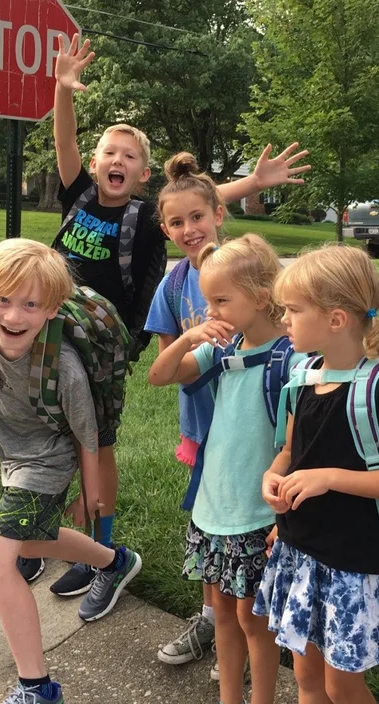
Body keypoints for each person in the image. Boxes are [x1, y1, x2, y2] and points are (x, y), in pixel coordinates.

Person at [42, 32, 310, 597]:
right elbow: (65, 140)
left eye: (129, 155)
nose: (117, 160)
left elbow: (197, 201)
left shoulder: (147, 214)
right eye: (108, 152)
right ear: (94, 165)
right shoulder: (79, 195)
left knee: (97, 445)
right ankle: (63, 541)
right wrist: (63, 90)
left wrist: (254, 183)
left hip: (104, 346)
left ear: (142, 174)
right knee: (60, 440)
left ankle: (104, 553)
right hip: (55, 335)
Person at [0, 238, 142, 704]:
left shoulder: (63, 368)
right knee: (30, 540)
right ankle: (115, 562)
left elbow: (88, 439)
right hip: (13, 457)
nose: (13, 316)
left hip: (47, 461)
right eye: (3, 299)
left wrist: (89, 495)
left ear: (51, 310)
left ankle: (37, 689)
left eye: (30, 305)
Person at [255, 244, 379, 703]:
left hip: (352, 562)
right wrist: (274, 478)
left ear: (335, 319)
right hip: (299, 551)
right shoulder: (303, 374)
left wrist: (328, 477)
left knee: (341, 685)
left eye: (292, 310)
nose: (284, 320)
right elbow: (290, 450)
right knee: (306, 678)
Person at [148, 234, 302, 704]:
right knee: (226, 618)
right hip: (215, 508)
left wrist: (285, 517)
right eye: (207, 300)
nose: (210, 310)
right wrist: (189, 338)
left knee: (255, 624)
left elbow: (299, 445)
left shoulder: (290, 358)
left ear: (260, 298)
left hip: (258, 513)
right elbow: (160, 375)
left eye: (220, 300)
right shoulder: (220, 347)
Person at [144, 152, 224, 671]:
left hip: (258, 424)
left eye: (198, 216)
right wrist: (194, 346)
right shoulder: (172, 287)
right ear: (166, 229)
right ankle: (211, 620)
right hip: (204, 426)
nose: (189, 229)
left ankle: (248, 629)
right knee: (209, 524)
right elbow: (167, 367)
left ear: (219, 211)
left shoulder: (250, 268)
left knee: (254, 529)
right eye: (177, 222)